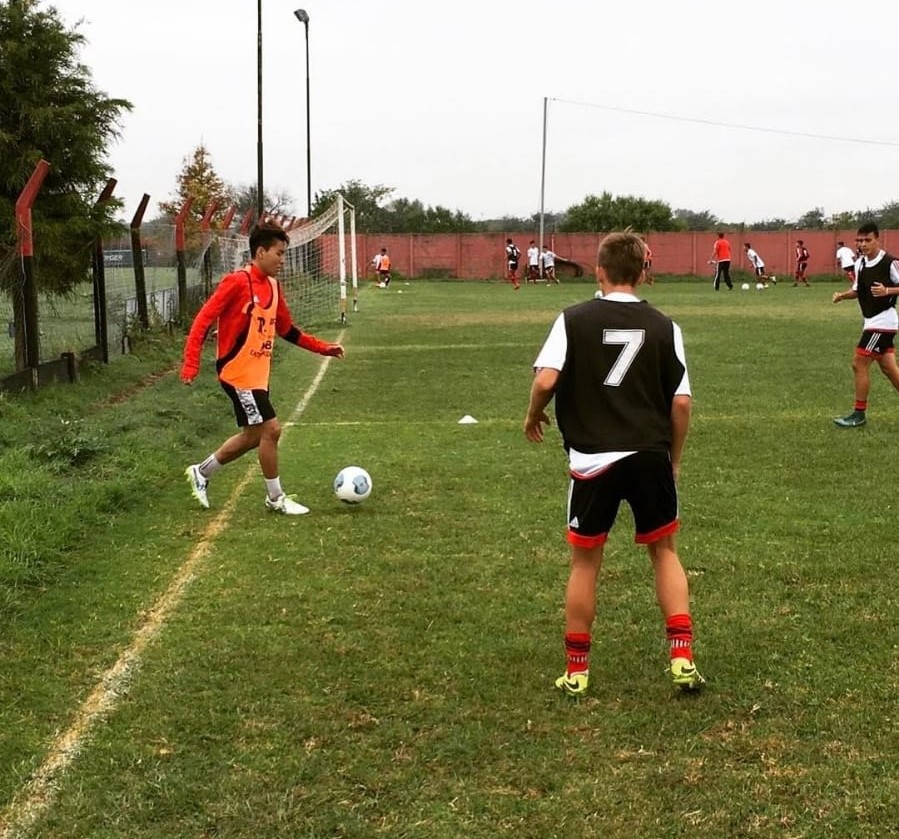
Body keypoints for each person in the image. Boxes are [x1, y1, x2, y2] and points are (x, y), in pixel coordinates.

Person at [524, 231, 704, 696]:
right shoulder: (667, 326)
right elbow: (681, 405)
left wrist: (532, 413)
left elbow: (546, 380)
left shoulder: (572, 319)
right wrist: (674, 461)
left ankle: (578, 670)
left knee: (585, 563)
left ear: (599, 271)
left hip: (592, 460)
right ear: (644, 271)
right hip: (649, 456)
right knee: (664, 552)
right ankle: (682, 655)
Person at [181, 220, 345, 515]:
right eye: (279, 253)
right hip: (237, 373)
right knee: (272, 429)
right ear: (260, 251)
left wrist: (324, 348)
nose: (283, 260)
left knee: (253, 435)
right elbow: (203, 320)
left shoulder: (273, 286)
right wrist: (191, 364)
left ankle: (202, 472)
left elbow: (287, 330)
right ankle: (275, 498)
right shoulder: (236, 282)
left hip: (258, 375)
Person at [832, 221, 899, 428]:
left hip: (883, 322)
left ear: (877, 239)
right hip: (870, 321)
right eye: (859, 241)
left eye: (867, 240)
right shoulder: (860, 264)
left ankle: (859, 414)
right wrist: (842, 296)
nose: (862, 244)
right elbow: (857, 290)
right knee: (889, 368)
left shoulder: (890, 262)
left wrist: (888, 291)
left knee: (859, 363)